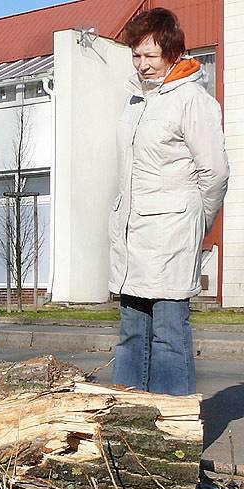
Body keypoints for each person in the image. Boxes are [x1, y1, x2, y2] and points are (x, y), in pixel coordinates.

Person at [109, 8, 229, 395]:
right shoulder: (136, 101)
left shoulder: (193, 101)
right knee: (130, 335)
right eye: (136, 55)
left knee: (168, 336)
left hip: (170, 236)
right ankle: (124, 426)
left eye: (150, 56)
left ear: (173, 51)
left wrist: (195, 222)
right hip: (133, 237)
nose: (142, 65)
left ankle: (173, 434)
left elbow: (215, 173)